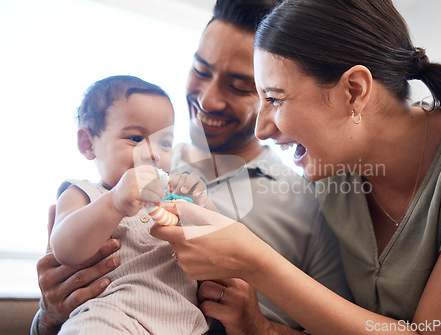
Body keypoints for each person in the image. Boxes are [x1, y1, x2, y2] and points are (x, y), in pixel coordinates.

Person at [149, 0, 441, 334]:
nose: (261, 129)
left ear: (354, 91)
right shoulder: (331, 178)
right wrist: (259, 327)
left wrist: (254, 259)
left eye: (274, 98)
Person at [32, 1, 352, 334]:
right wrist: (50, 316)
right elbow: (64, 274)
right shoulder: (123, 170)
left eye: (240, 86)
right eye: (201, 70)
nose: (208, 100)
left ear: (272, 95)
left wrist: (258, 326)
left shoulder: (308, 202)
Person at [47, 75, 213, 334]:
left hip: (185, 323)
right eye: (135, 138)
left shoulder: (172, 200)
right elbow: (65, 250)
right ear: (88, 143)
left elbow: (215, 247)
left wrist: (203, 205)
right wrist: (114, 203)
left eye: (165, 143)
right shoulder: (84, 193)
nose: (154, 153)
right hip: (112, 318)